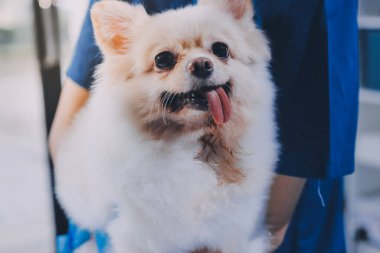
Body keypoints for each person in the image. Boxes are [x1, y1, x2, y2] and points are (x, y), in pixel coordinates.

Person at [49, 0, 359, 252]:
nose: (200, 62)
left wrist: (262, 224)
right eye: (165, 59)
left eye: (219, 51)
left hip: (281, 189)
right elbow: (66, 134)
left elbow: (319, 93)